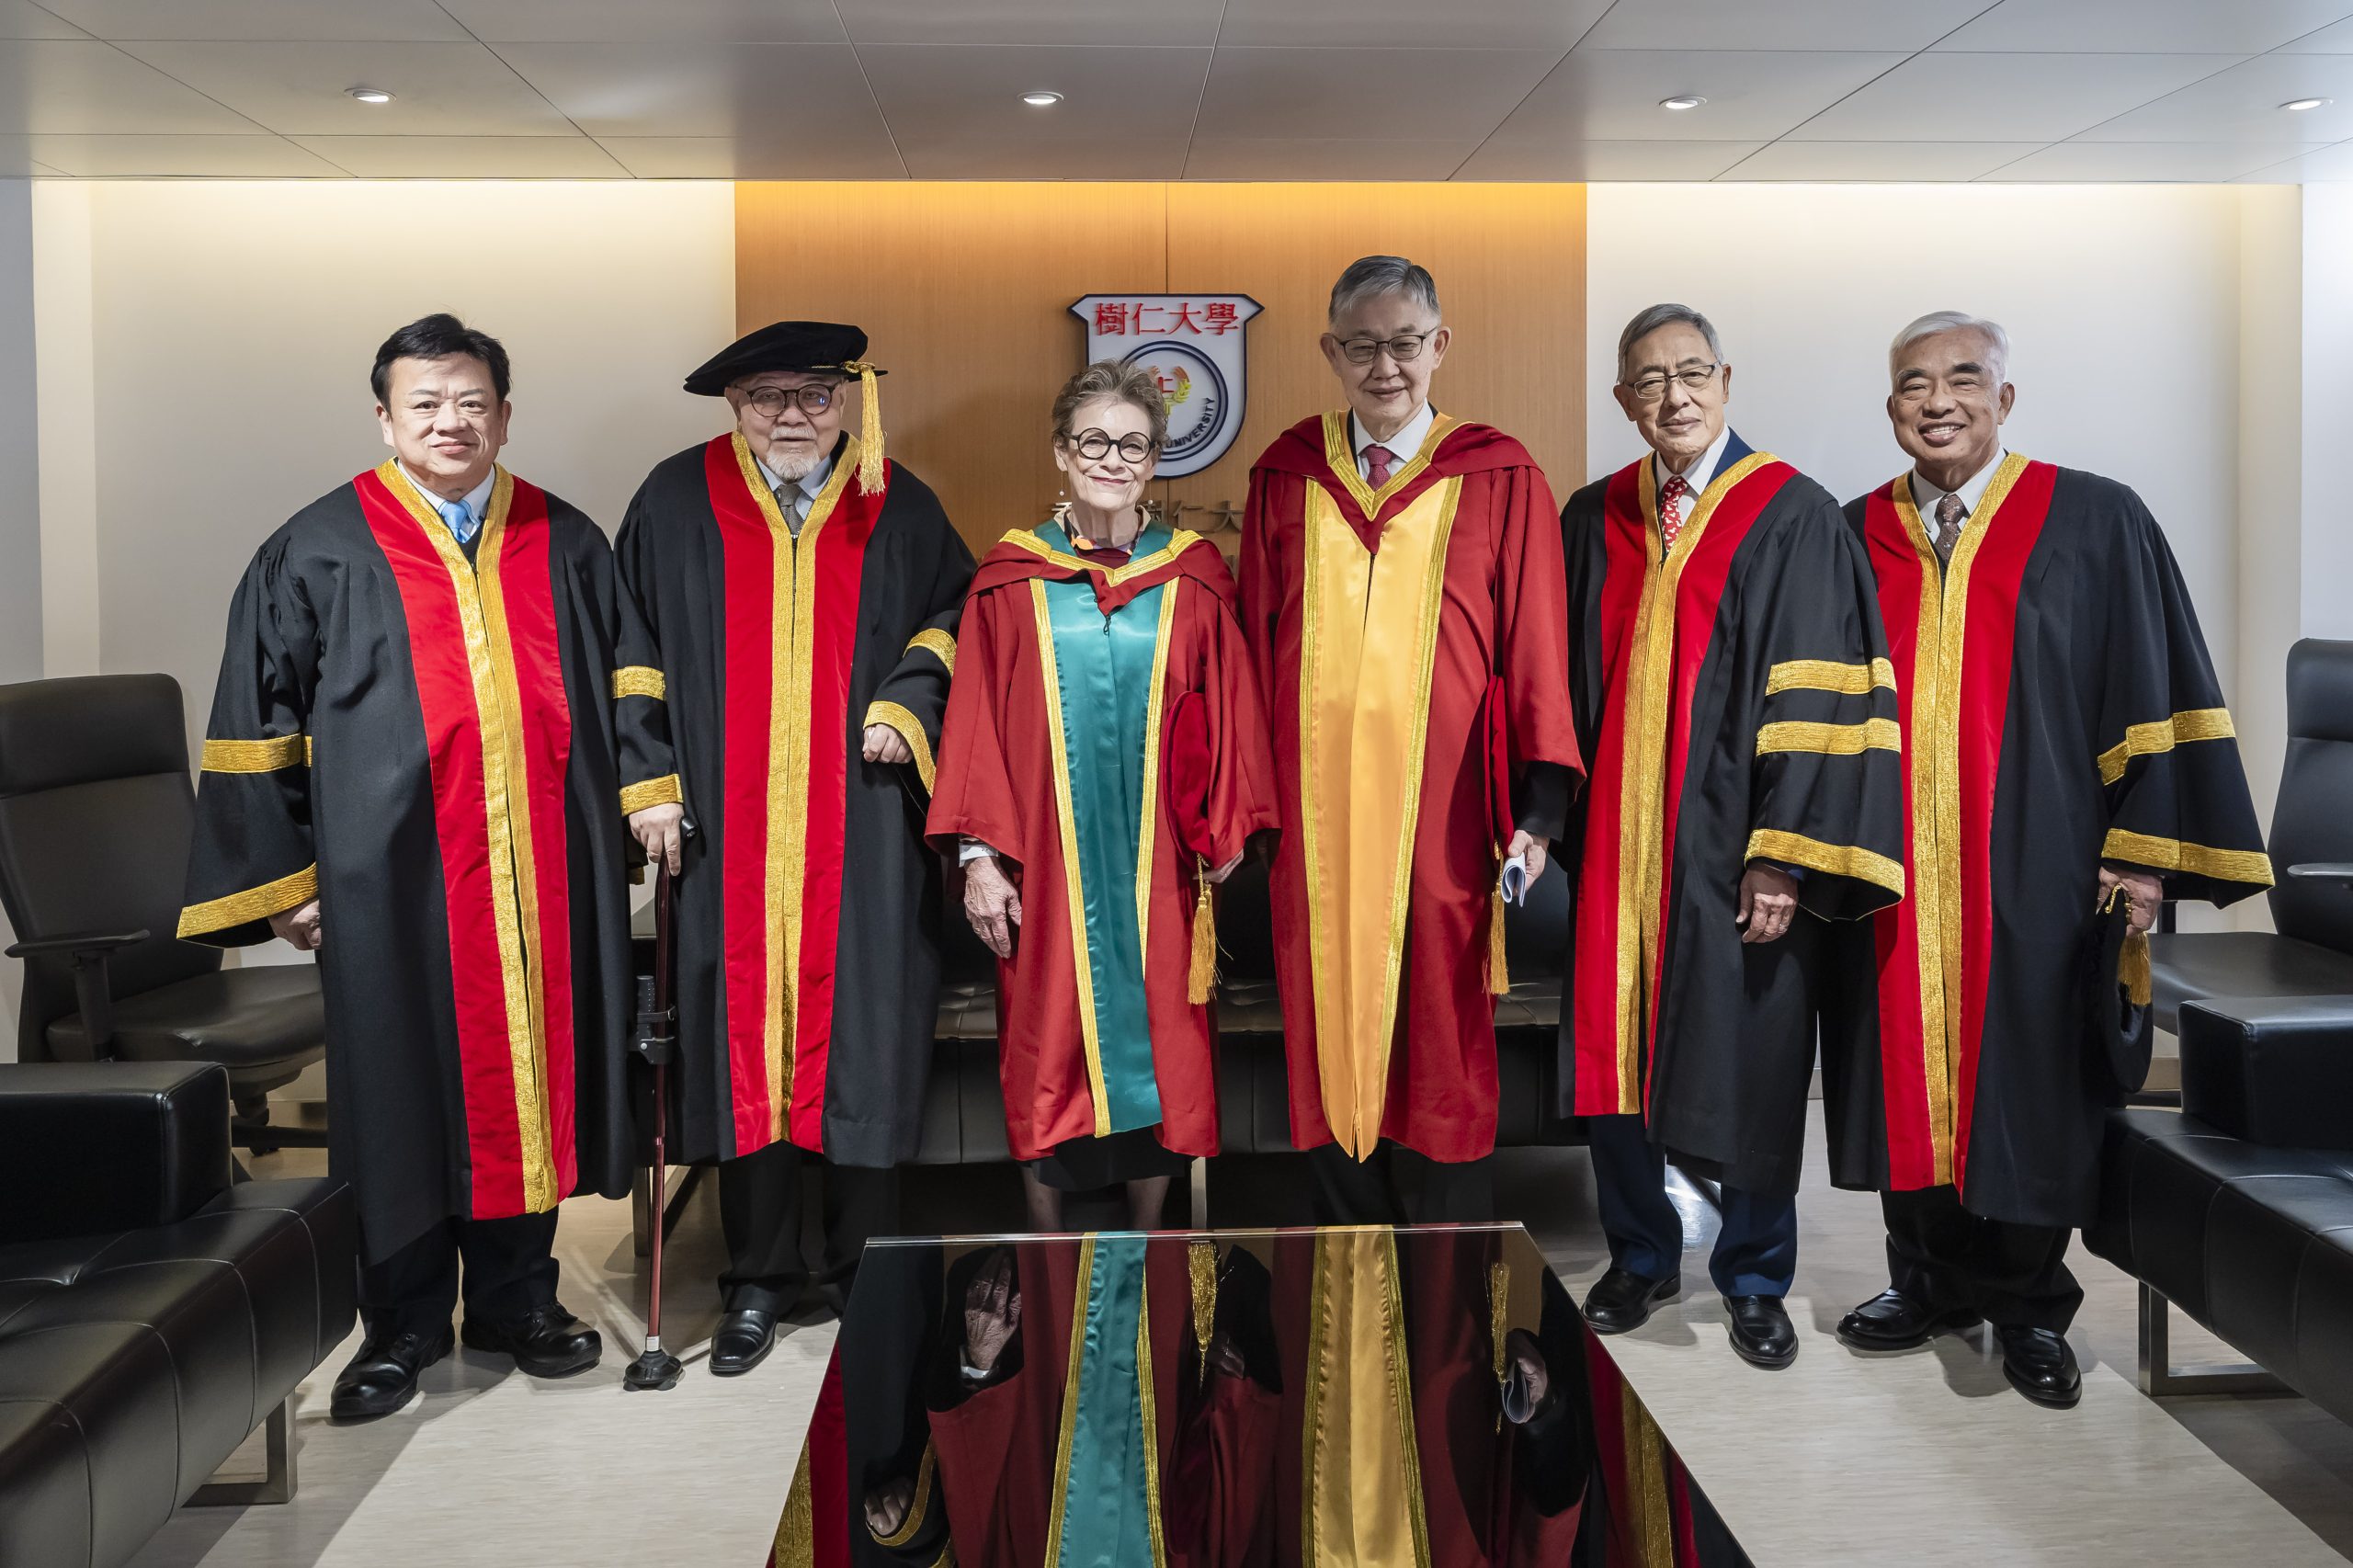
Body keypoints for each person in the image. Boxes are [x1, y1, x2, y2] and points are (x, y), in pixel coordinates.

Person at [179, 313, 671, 1418]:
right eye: (426, 404)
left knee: (531, 1078)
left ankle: (515, 1300)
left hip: (541, 871)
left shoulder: (563, 537)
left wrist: (648, 790)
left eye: (472, 402)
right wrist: (292, 882)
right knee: (398, 1089)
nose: (451, 422)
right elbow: (254, 719)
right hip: (385, 880)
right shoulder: (317, 547)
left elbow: (632, 676)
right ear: (385, 417)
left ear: (504, 413)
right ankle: (398, 1321)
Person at [1824, 311, 2271, 1407]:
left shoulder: (2094, 519)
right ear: (1890, 406)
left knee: (2033, 1071)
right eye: (1914, 384)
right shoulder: (1849, 533)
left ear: (2004, 398)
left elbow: (2151, 684)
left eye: (1963, 379)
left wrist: (2141, 860)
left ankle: (2027, 1301)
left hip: (2046, 858)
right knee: (1901, 1068)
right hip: (1895, 869)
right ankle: (1926, 1279)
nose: (1938, 401)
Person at [614, 321, 974, 1377]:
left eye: (814, 395)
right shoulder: (675, 500)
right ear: (734, 404)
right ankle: (758, 1279)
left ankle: (868, 1268)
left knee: (865, 1035)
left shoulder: (897, 501)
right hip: (723, 832)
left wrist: (906, 704)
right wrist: (649, 784)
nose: (791, 417)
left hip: (862, 827)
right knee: (743, 1043)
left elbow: (958, 617)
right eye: (767, 396)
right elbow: (628, 652)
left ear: (848, 399)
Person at [1560, 303, 1905, 1370]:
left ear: (1724, 380)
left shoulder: (1791, 513)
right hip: (1616, 847)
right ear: (1623, 400)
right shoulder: (1594, 514)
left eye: (1692, 372)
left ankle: (1755, 1274)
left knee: (1757, 1050)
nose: (1673, 395)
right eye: (1649, 380)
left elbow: (1821, 695)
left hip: (1737, 849)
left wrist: (1781, 852)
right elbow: (1557, 683)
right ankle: (1640, 1253)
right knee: (1613, 1053)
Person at [1237, 255, 1581, 1225]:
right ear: (1330, 351)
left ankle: (1444, 1239)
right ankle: (1349, 1237)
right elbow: (1253, 641)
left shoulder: (1499, 473)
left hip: (1449, 811)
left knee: (1439, 1012)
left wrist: (1538, 809)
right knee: (1321, 1008)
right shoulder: (1286, 473)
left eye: (1404, 344)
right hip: (1310, 816)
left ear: (1439, 346)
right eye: (1361, 346)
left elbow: (1535, 644)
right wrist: (1249, 804)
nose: (1384, 366)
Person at [928, 361, 1278, 1232]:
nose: (1112, 460)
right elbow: (974, 723)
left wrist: (1230, 823)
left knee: (1163, 1035)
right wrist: (979, 860)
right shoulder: (1010, 578)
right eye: (1094, 442)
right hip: (1045, 868)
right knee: (1045, 1035)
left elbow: (1233, 708)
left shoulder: (1194, 577)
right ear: (1062, 452)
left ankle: (1152, 1232)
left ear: (1154, 462)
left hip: (1161, 867)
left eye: (1132, 445)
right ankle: (1047, 1241)